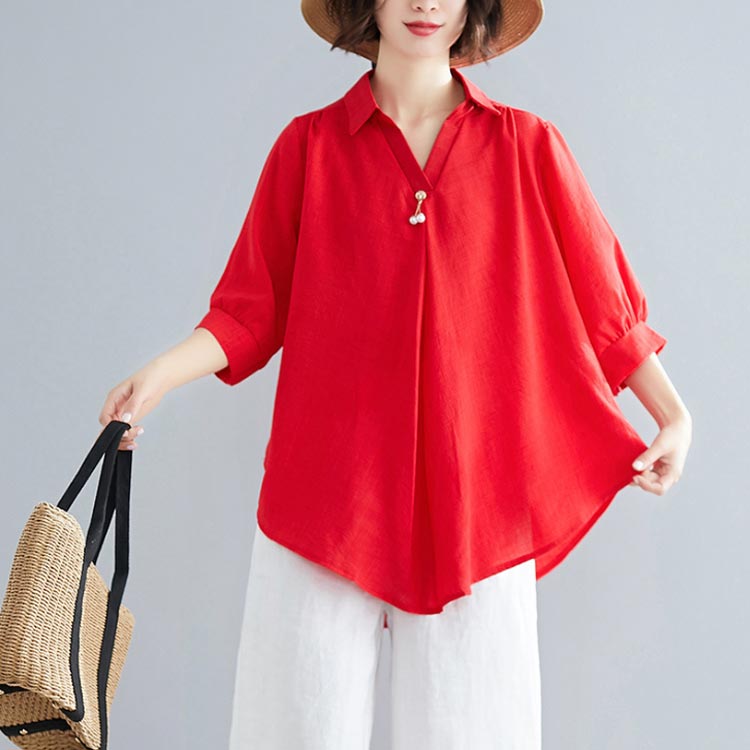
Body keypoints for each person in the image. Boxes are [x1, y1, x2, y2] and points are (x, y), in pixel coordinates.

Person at [99, 0, 693, 747]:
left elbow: (604, 302)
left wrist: (672, 414)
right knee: (292, 732)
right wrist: (157, 376)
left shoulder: (527, 146)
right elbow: (248, 311)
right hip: (325, 500)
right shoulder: (308, 148)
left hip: (478, 501)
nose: (425, 4)